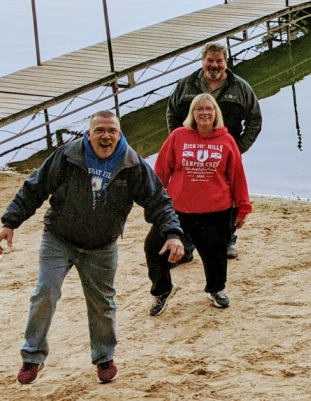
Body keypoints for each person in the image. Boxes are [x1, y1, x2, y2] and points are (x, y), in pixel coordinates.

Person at [1, 111, 183, 385]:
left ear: (120, 134)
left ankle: (104, 357)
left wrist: (172, 234)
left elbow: (158, 201)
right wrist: (10, 222)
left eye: (112, 130)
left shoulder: (132, 163)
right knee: (45, 292)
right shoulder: (68, 155)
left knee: (102, 304)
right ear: (88, 134)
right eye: (99, 130)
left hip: (101, 245)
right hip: (59, 238)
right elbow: (35, 188)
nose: (106, 136)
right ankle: (32, 357)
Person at [147, 93, 251, 313]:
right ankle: (162, 290)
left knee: (215, 255)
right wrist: (153, 202)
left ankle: (216, 290)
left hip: (216, 211)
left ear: (216, 114)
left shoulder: (226, 140)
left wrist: (243, 208)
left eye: (209, 109)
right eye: (199, 109)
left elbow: (237, 176)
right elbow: (161, 172)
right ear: (192, 114)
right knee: (154, 248)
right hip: (177, 211)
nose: (204, 113)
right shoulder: (178, 136)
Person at [166, 41, 261, 261]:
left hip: (225, 156)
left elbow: (255, 120)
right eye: (210, 61)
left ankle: (227, 240)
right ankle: (187, 247)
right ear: (202, 61)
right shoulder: (185, 85)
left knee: (229, 197)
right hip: (191, 155)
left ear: (226, 62)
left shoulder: (241, 87)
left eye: (219, 61)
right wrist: (178, 143)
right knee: (187, 197)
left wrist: (237, 149)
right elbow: (171, 113)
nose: (215, 65)